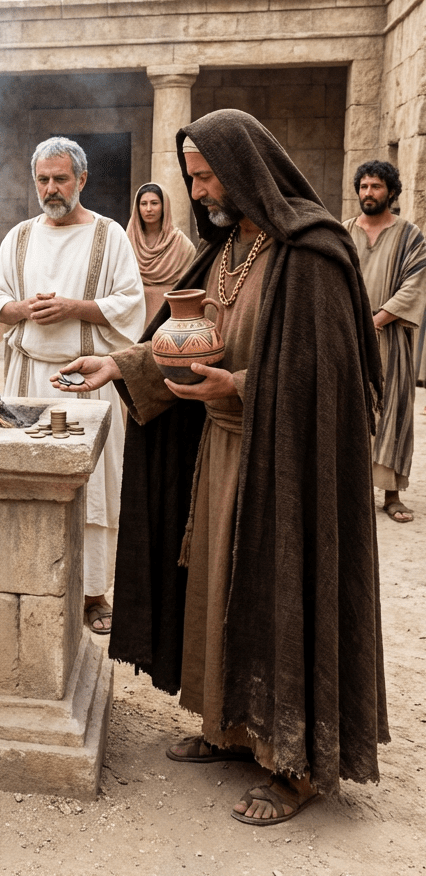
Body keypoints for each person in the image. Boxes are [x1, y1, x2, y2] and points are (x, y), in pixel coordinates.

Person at [53, 109, 387, 825]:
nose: (199, 191)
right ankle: (230, 727)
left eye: (207, 176)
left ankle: (293, 765)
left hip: (287, 462)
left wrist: (238, 385)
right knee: (214, 583)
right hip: (221, 452)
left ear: (245, 169)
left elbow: (332, 380)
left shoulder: (311, 254)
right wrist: (120, 363)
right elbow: (184, 338)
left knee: (278, 592)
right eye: (193, 178)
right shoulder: (227, 248)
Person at [0, 136, 145, 636]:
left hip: (87, 382)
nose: (51, 189)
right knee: (27, 481)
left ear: (82, 179)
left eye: (60, 178)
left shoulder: (109, 236)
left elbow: (131, 303)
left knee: (93, 487)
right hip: (28, 379)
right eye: (43, 180)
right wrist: (23, 308)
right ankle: (31, 583)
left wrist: (74, 307)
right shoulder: (19, 237)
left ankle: (93, 594)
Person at [343, 161, 426, 523]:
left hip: (391, 339)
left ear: (391, 192)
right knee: (350, 410)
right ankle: (351, 491)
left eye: (375, 186)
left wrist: (374, 321)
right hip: (348, 337)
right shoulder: (344, 232)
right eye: (363, 186)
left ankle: (392, 495)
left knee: (394, 409)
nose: (368, 193)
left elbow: (414, 285)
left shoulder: (411, 236)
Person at [126, 181, 196, 326]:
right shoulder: (127, 242)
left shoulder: (180, 243)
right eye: (143, 204)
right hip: (134, 316)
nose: (149, 209)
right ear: (137, 208)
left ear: (164, 206)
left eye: (154, 203)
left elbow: (192, 285)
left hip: (172, 318)